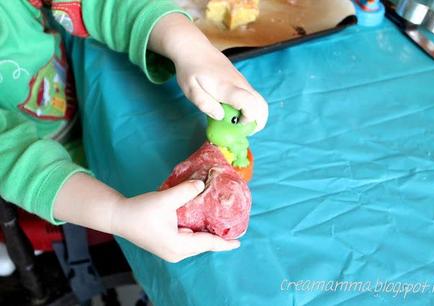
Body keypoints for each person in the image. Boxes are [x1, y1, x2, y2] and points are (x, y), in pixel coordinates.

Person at [0, 0, 268, 263]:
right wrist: (117, 215)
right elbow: (13, 159)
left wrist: (191, 49)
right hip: (57, 184)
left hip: (72, 101)